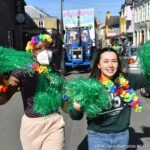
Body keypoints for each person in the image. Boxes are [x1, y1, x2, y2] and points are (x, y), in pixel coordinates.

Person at [69, 47, 149, 150]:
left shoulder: (127, 80)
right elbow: (75, 116)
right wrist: (77, 108)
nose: (110, 65)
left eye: (114, 61)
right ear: (98, 65)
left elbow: (148, 79)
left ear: (118, 64)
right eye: (105, 61)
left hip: (122, 136)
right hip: (98, 137)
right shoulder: (89, 85)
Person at [0, 33, 65, 150]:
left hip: (54, 123)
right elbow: (4, 98)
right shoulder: (22, 71)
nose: (44, 52)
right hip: (31, 127)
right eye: (39, 48)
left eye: (48, 47)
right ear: (32, 52)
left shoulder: (57, 74)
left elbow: (66, 106)